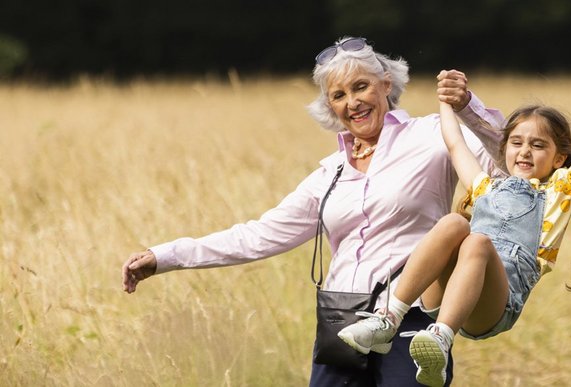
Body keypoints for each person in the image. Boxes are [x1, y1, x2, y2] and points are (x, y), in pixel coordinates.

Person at [120, 37, 509, 386]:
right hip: (342, 322)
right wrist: (165, 256)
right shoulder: (329, 174)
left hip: (410, 317)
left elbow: (505, 160)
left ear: (386, 85)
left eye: (361, 87)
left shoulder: (430, 136)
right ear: (330, 107)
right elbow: (256, 236)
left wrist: (466, 108)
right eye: (338, 95)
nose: (352, 102)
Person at [336, 84, 571, 385]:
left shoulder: (562, 189)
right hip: (444, 292)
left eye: (538, 145)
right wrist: (445, 100)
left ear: (559, 157)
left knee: (476, 240)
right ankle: (389, 320)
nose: (525, 151)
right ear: (504, 149)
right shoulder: (485, 187)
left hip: (495, 304)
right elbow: (456, 145)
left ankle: (440, 340)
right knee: (455, 223)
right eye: (516, 142)